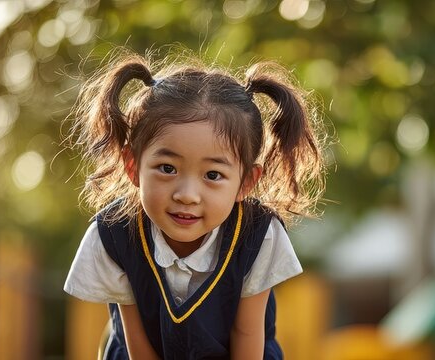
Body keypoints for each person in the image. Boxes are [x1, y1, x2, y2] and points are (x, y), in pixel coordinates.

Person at [63, 51, 325, 359]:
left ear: (245, 182)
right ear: (133, 166)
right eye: (167, 168)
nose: (187, 194)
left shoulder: (258, 235)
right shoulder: (113, 234)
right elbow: (136, 342)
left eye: (213, 175)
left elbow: (247, 333)